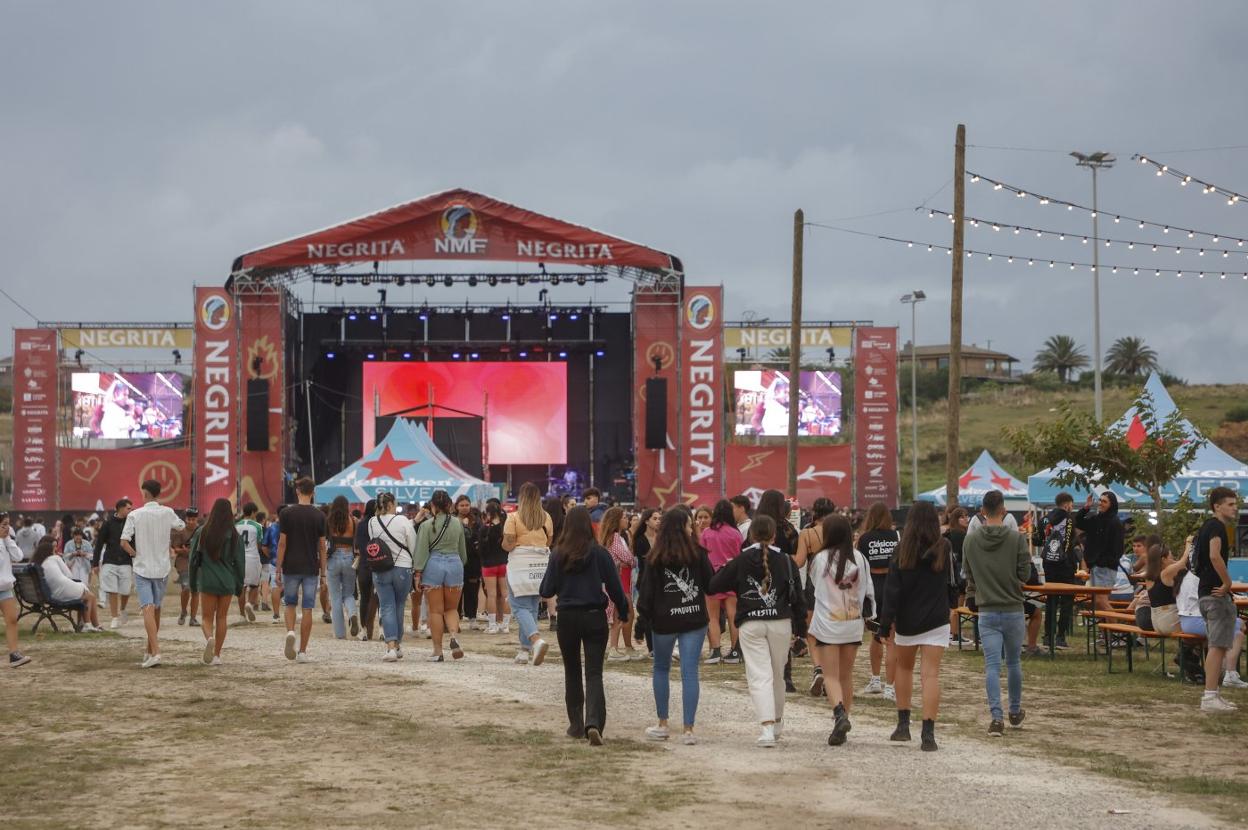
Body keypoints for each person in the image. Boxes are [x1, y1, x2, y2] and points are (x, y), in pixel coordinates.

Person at [709, 515, 807, 747]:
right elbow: (800, 600)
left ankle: (766, 728)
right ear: (774, 535)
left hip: (751, 623)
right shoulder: (786, 560)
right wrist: (801, 631)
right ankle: (778, 721)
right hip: (781, 623)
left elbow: (714, 585)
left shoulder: (741, 560)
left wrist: (734, 578)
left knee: (759, 676)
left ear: (750, 535)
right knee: (778, 676)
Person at [540, 506, 629, 745]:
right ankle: (594, 723)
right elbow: (614, 587)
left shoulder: (558, 554)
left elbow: (546, 590)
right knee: (594, 672)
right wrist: (624, 609)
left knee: (572, 671)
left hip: (567, 617)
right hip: (594, 615)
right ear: (590, 526)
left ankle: (576, 724)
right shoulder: (600, 554)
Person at [877, 501, 954, 752]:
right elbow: (953, 584)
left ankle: (902, 725)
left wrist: (884, 624)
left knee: (905, 670)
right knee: (930, 674)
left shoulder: (902, 549)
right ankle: (928, 733)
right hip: (937, 618)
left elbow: (892, 591)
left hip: (907, 620)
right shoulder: (944, 547)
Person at [637, 509, 713, 744]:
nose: (693, 528)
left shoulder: (654, 556)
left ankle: (662, 724)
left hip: (664, 621)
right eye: (690, 525)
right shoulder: (699, 554)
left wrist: (642, 621)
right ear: (683, 528)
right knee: (690, 672)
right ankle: (689, 730)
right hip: (694, 619)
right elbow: (711, 585)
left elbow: (646, 593)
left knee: (661, 669)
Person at [961, 490, 1031, 737]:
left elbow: (967, 574)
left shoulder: (970, 541)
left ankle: (996, 718)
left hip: (987, 610)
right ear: (1003, 510)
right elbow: (1025, 574)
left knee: (992, 665)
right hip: (1013, 608)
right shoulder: (1017, 538)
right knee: (1013, 662)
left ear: (982, 511)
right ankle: (1014, 710)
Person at [808, 513, 874, 747]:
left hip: (828, 623)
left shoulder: (820, 559)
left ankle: (838, 714)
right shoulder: (859, 558)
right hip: (853, 623)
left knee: (831, 675)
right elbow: (867, 590)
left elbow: (816, 586)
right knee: (846, 675)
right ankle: (844, 721)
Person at [1190, 487, 1246, 711]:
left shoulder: (1206, 526)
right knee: (1217, 646)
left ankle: (1213, 694)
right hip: (1215, 595)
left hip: (1206, 594)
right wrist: (1227, 582)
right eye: (1230, 504)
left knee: (1219, 646)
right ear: (1217, 506)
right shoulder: (1216, 526)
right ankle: (1210, 696)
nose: (1235, 508)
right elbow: (1214, 555)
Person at [120, 479, 185, 668]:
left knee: (147, 608)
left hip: (142, 567)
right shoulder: (168, 512)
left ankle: (155, 651)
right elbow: (181, 526)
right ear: (158, 493)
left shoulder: (135, 515)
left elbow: (124, 541)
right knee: (155, 608)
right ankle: (149, 650)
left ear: (144, 493)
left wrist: (134, 554)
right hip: (162, 567)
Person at [413, 490, 468, 662]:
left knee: (435, 611)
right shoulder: (458, 524)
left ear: (433, 506)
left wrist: (417, 573)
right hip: (454, 564)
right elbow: (463, 553)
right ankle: (453, 636)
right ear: (450, 505)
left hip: (433, 565)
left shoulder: (426, 525)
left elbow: (421, 551)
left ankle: (438, 651)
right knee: (451, 608)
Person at [189, 498, 246, 666]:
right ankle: (217, 656)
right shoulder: (234, 535)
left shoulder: (202, 532)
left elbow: (193, 560)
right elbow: (240, 563)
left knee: (206, 618)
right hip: (227, 581)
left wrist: (193, 583)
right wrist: (238, 585)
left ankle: (209, 638)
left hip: (207, 581)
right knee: (222, 618)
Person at [276, 478, 327, 663]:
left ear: (298, 491)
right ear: (313, 492)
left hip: (291, 564)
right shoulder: (319, 516)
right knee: (307, 608)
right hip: (310, 566)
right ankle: (303, 651)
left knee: (290, 603)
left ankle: (290, 631)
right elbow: (322, 547)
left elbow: (282, 543)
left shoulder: (287, 513)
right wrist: (323, 573)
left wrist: (278, 568)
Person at [504, 483, 555, 665]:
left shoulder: (513, 518)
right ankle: (524, 651)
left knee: (518, 606)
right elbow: (549, 541)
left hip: (520, 564)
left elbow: (508, 544)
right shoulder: (546, 517)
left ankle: (536, 640)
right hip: (541, 564)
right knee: (532, 606)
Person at [856, 502, 900, 699]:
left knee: (875, 635)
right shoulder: (896, 536)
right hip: (893, 586)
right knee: (891, 639)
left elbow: (859, 565)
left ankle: (875, 679)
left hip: (873, 588)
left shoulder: (864, 538)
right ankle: (890, 687)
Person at [368, 491, 418, 661]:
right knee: (399, 605)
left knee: (386, 606)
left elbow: (373, 543)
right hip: (403, 567)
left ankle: (390, 647)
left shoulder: (372, 522)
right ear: (390, 505)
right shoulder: (403, 520)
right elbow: (413, 544)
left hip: (380, 567)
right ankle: (397, 645)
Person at [701, 500, 743, 666]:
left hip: (712, 577)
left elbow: (702, 556)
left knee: (712, 617)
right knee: (734, 616)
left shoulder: (706, 533)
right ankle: (735, 650)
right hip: (732, 577)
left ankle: (716, 650)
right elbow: (740, 555)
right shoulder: (736, 533)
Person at [1036, 492, 1079, 648]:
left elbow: (1036, 540)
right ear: (1067, 504)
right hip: (1065, 564)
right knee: (1067, 600)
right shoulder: (1068, 519)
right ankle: (1061, 637)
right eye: (1071, 505)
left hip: (1049, 564)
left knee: (1051, 600)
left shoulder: (1044, 519)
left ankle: (1048, 636)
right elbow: (1069, 543)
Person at [34, 538, 103, 631]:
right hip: (61, 591)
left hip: (52, 593)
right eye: (54, 548)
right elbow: (69, 575)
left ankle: (89, 625)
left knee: (89, 595)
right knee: (90, 596)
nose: (55, 550)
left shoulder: (39, 564)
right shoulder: (55, 558)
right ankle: (89, 625)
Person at [1076, 491, 1124, 614]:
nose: (1100, 503)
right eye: (1100, 500)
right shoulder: (1096, 519)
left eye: (1104, 501)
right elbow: (1078, 522)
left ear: (1111, 504)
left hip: (1106, 567)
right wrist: (1086, 507)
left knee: (1101, 601)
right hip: (1095, 566)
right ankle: (1106, 631)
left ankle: (1116, 631)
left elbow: (1118, 549)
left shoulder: (1115, 522)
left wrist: (1102, 562)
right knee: (1098, 602)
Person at [93, 498, 133, 629]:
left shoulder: (132, 522)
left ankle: (122, 609)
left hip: (126, 561)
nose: (131, 510)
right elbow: (99, 544)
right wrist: (95, 563)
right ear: (120, 508)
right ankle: (114, 617)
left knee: (126, 590)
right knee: (113, 590)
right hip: (110, 561)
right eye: (128, 508)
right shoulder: (108, 523)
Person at [325, 496, 359, 640]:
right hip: (349, 557)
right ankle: (352, 613)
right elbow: (356, 543)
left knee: (335, 597)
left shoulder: (328, 522)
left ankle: (340, 633)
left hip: (333, 558)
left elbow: (324, 541)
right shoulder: (353, 521)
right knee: (349, 594)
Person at [1, 514, 31, 666]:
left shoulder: (6, 540)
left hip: (5, 587)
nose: (6, 528)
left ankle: (14, 654)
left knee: (12, 620)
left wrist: (7, 539)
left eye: (7, 524)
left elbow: (18, 556)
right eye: (3, 525)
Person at [479, 503, 510, 635]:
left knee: (491, 594)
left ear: (488, 514)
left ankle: (492, 625)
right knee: (505, 593)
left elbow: (480, 549)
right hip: (503, 563)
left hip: (488, 565)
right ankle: (505, 625)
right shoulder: (505, 527)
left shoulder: (484, 529)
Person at [455, 496, 483, 630]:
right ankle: (455, 618)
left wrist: (468, 527)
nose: (465, 507)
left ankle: (472, 618)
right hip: (456, 560)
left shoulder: (476, 521)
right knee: (456, 591)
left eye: (467, 505)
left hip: (473, 562)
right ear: (456, 506)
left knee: (472, 591)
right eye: (462, 505)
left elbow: (480, 538)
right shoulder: (452, 521)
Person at [353, 499, 379, 640]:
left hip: (364, 564)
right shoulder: (379, 523)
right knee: (380, 599)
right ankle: (381, 630)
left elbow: (357, 545)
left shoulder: (361, 524)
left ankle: (363, 630)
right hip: (379, 564)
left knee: (364, 598)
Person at [234, 502, 264, 623]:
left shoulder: (236, 525)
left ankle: (242, 615)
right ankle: (250, 604)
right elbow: (259, 544)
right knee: (255, 585)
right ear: (252, 512)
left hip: (240, 558)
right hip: (253, 557)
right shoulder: (257, 526)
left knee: (242, 586)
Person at [171, 509, 199, 627]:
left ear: (197, 519)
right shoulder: (180, 532)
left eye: (193, 519)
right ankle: (183, 611)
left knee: (196, 591)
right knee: (186, 588)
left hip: (197, 562)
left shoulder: (201, 531)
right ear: (185, 519)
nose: (191, 522)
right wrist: (184, 550)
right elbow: (175, 548)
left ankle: (193, 618)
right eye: (189, 519)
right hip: (183, 562)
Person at [263, 506, 284, 622]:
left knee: (275, 586)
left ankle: (276, 615)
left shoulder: (271, 528)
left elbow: (264, 546)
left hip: (274, 561)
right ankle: (291, 613)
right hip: (290, 562)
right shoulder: (292, 528)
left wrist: (270, 556)